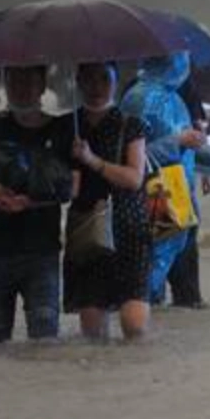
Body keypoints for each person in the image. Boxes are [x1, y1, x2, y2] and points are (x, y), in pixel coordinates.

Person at [120, 51, 210, 306]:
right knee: (150, 285)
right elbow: (131, 158)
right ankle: (141, 334)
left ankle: (179, 334)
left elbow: (192, 147)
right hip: (155, 197)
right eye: (180, 58)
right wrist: (177, 141)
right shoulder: (139, 99)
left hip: (181, 202)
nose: (185, 65)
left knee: (188, 298)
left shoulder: (175, 99)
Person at [0, 65, 72, 343]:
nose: (20, 87)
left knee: (45, 342)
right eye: (13, 80)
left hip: (42, 253)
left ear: (43, 84)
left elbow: (70, 187)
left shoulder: (62, 130)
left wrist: (29, 203)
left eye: (29, 80)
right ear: (5, 84)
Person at [62, 62, 152, 340]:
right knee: (92, 334)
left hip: (129, 227)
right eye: (89, 79)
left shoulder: (131, 125)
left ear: (115, 80)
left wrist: (93, 161)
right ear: (78, 81)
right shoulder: (67, 126)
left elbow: (134, 178)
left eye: (104, 79)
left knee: (134, 326)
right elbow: (67, 190)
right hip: (87, 231)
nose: (97, 87)